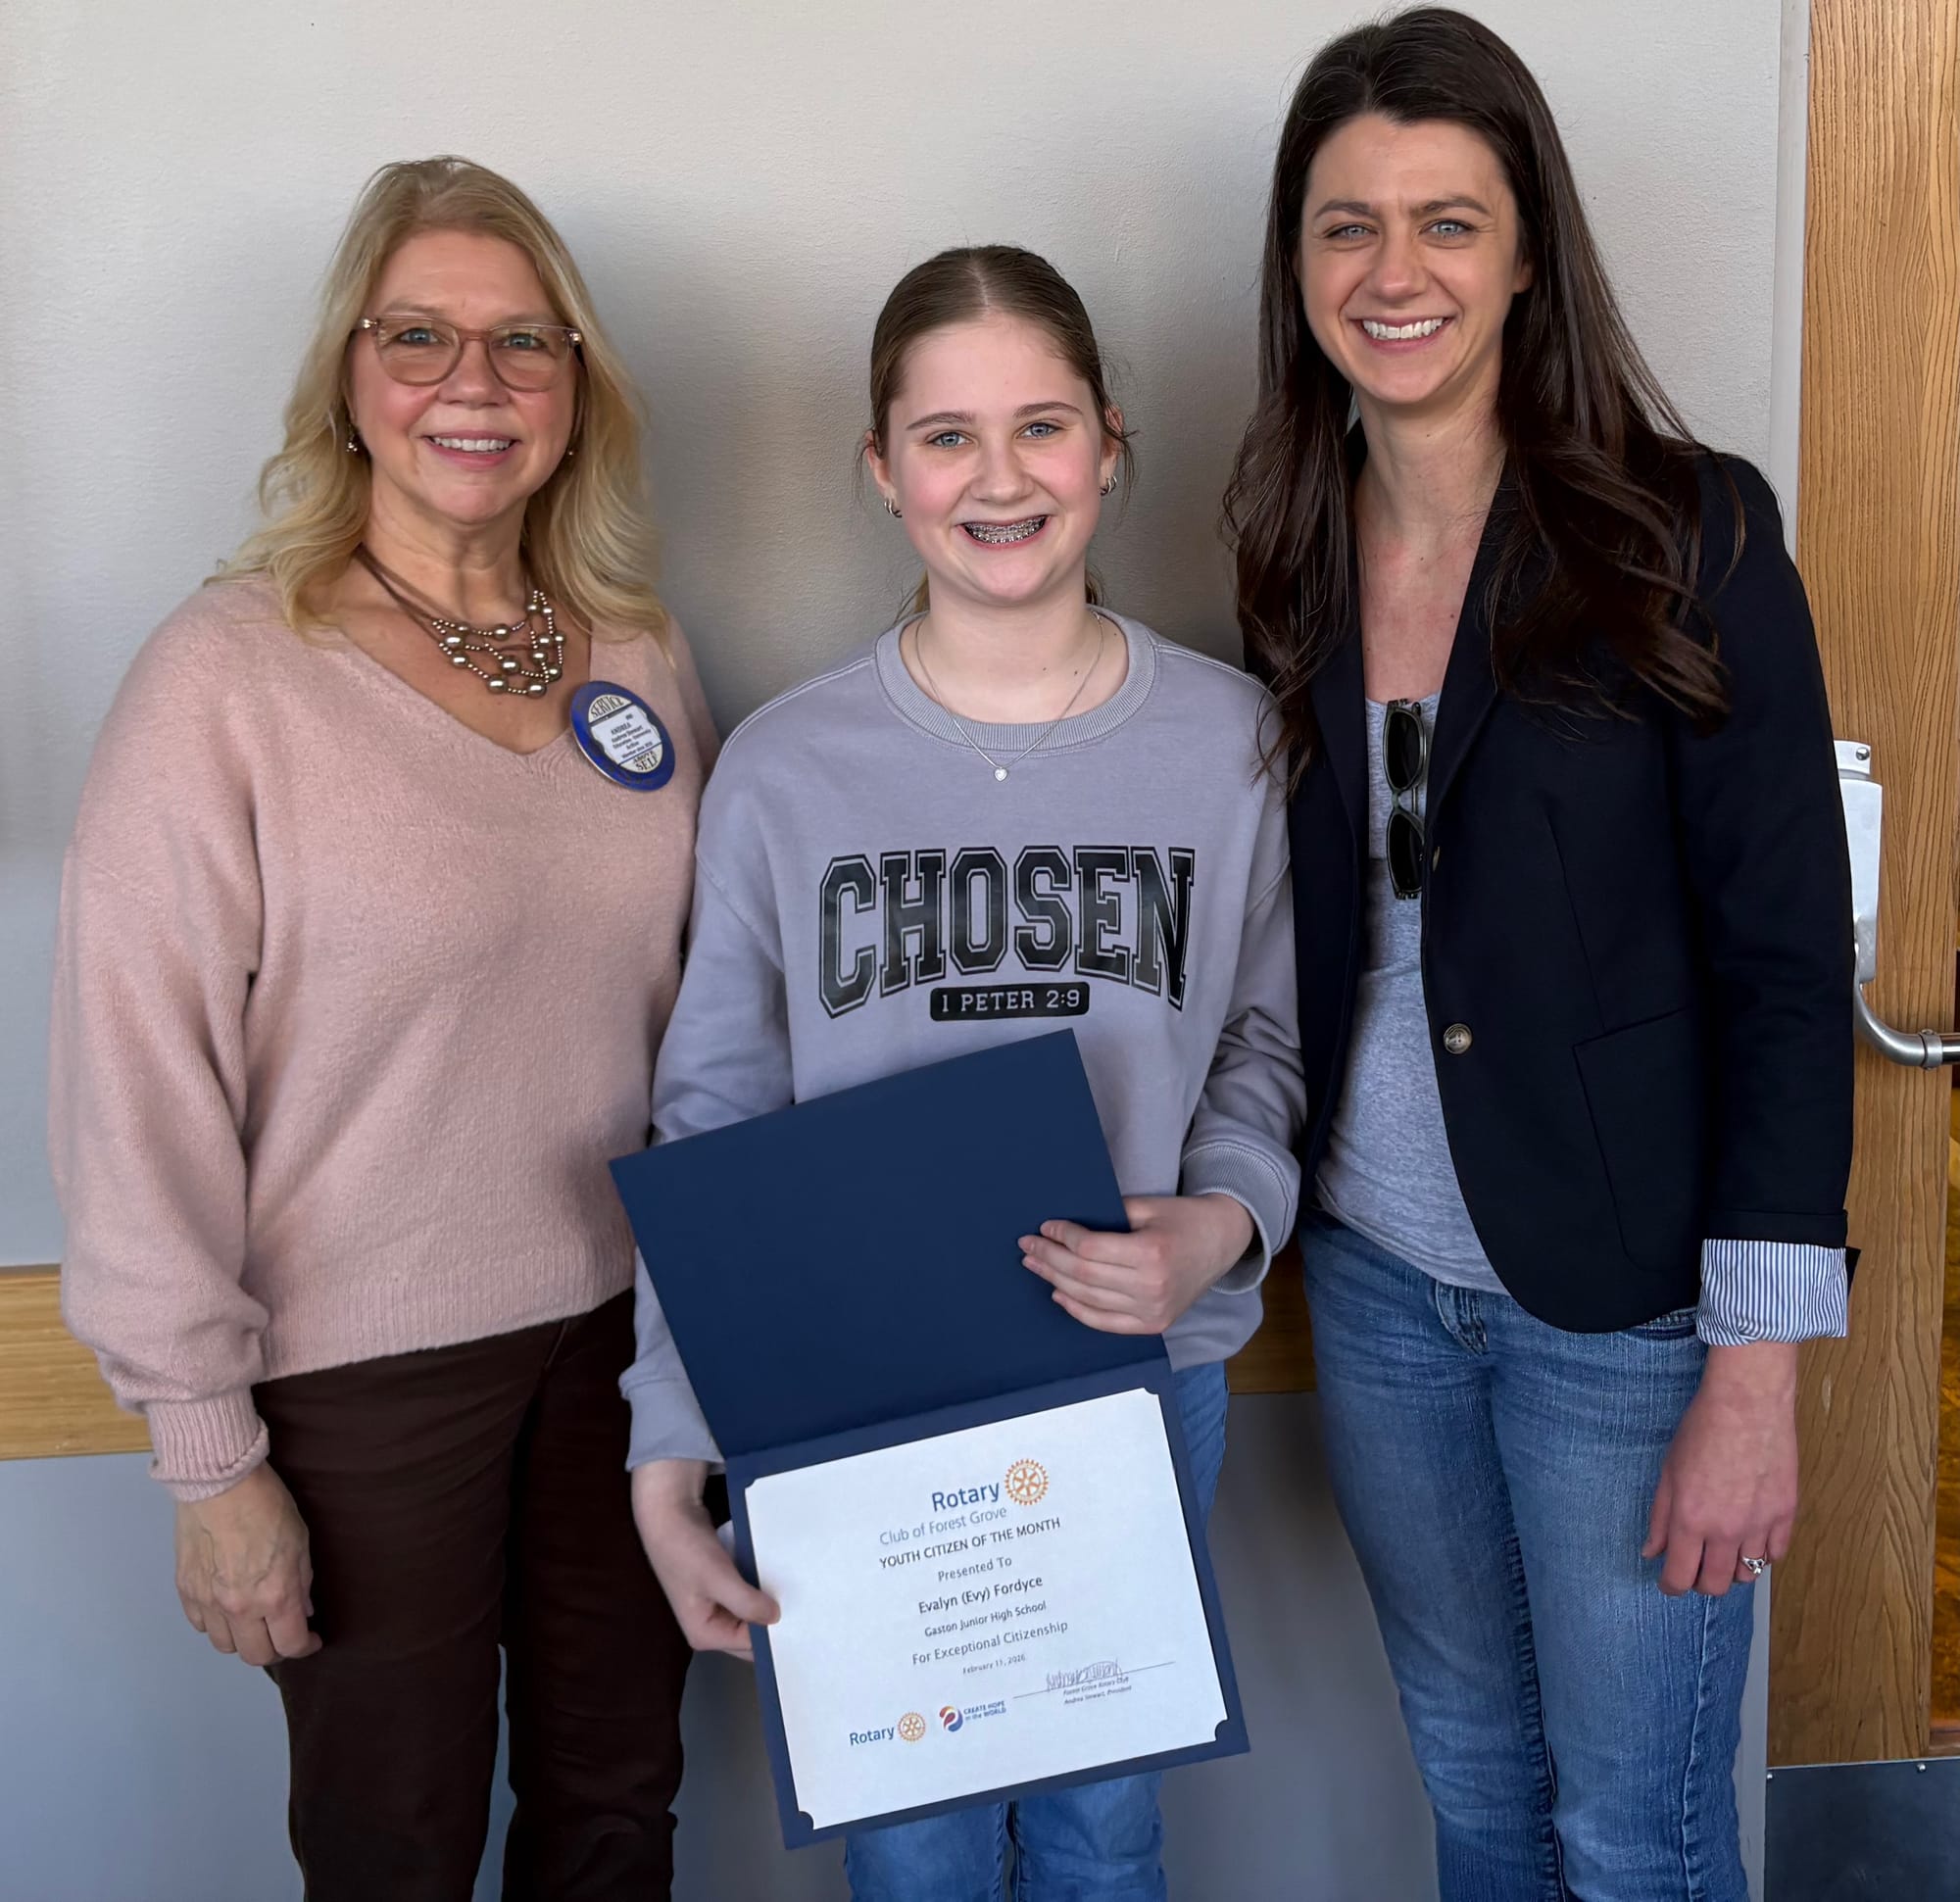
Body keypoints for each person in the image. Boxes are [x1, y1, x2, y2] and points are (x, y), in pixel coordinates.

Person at [1224, 12, 1853, 1898]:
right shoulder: (1290, 541)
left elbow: (1785, 968)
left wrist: (1758, 1372)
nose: (1393, 273)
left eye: (1446, 221)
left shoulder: (1691, 531)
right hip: (1381, 1285)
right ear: (1300, 264)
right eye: (1347, 227)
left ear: (1524, 252)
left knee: (1634, 1835)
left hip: (1629, 1318)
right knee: (1483, 1798)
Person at [49, 157, 711, 1901]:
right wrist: (209, 1455)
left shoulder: (635, 655)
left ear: (580, 390)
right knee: (392, 1853)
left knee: (618, 1816)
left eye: (521, 342)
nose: (469, 384)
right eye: (416, 335)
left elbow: (709, 1010)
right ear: (348, 377)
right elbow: (137, 1080)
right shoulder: (228, 675)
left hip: (630, 1354)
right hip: (360, 1383)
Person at [623, 244, 1303, 1901]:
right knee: (913, 1846)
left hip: (1136, 1375)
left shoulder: (1232, 743)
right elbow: (710, 1115)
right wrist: (668, 1441)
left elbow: (1269, 1042)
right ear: (881, 469)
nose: (998, 479)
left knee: (1101, 1830)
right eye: (945, 436)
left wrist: (1220, 1227)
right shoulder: (787, 767)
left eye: (1042, 426)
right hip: (855, 1398)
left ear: (1111, 444)